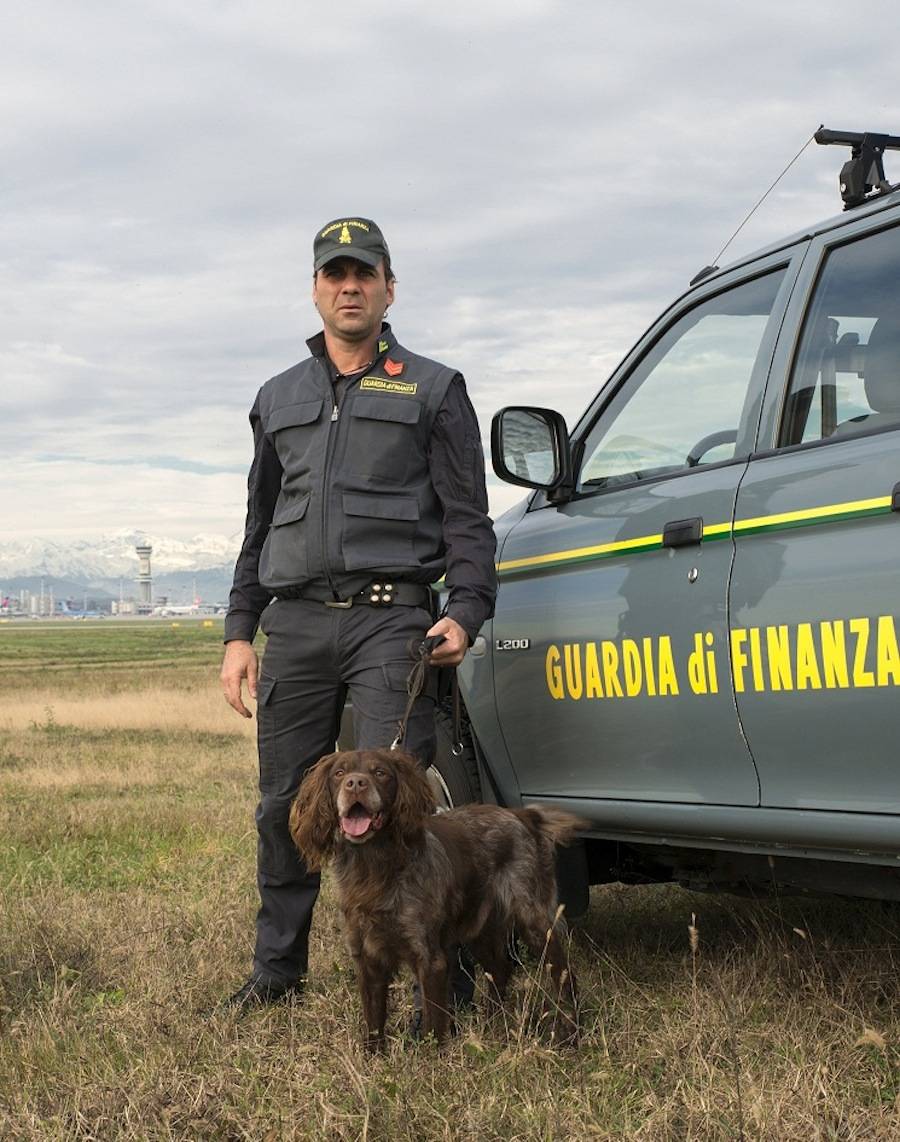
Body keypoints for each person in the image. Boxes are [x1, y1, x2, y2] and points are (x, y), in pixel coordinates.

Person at [220, 216, 497, 1010]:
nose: (350, 287)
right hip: (298, 624)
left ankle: (444, 972)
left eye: (364, 273)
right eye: (334, 274)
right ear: (315, 289)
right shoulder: (278, 398)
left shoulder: (434, 388)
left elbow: (467, 521)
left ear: (388, 287)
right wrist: (241, 631)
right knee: (284, 807)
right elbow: (259, 525)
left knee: (398, 804)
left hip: (391, 622)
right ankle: (277, 973)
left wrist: (467, 610)